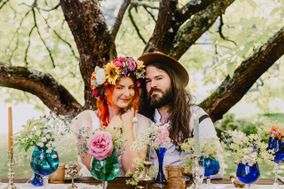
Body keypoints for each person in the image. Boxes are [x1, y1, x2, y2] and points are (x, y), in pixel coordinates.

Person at [138, 52, 222, 170]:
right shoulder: (142, 120)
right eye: (148, 81)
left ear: (174, 81)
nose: (153, 85)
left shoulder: (196, 116)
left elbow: (215, 167)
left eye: (159, 78)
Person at [70, 56, 153, 175]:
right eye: (120, 88)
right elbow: (94, 169)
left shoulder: (143, 123)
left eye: (131, 88)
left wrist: (128, 125)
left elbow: (134, 170)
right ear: (106, 90)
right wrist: (109, 132)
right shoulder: (85, 120)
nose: (127, 93)